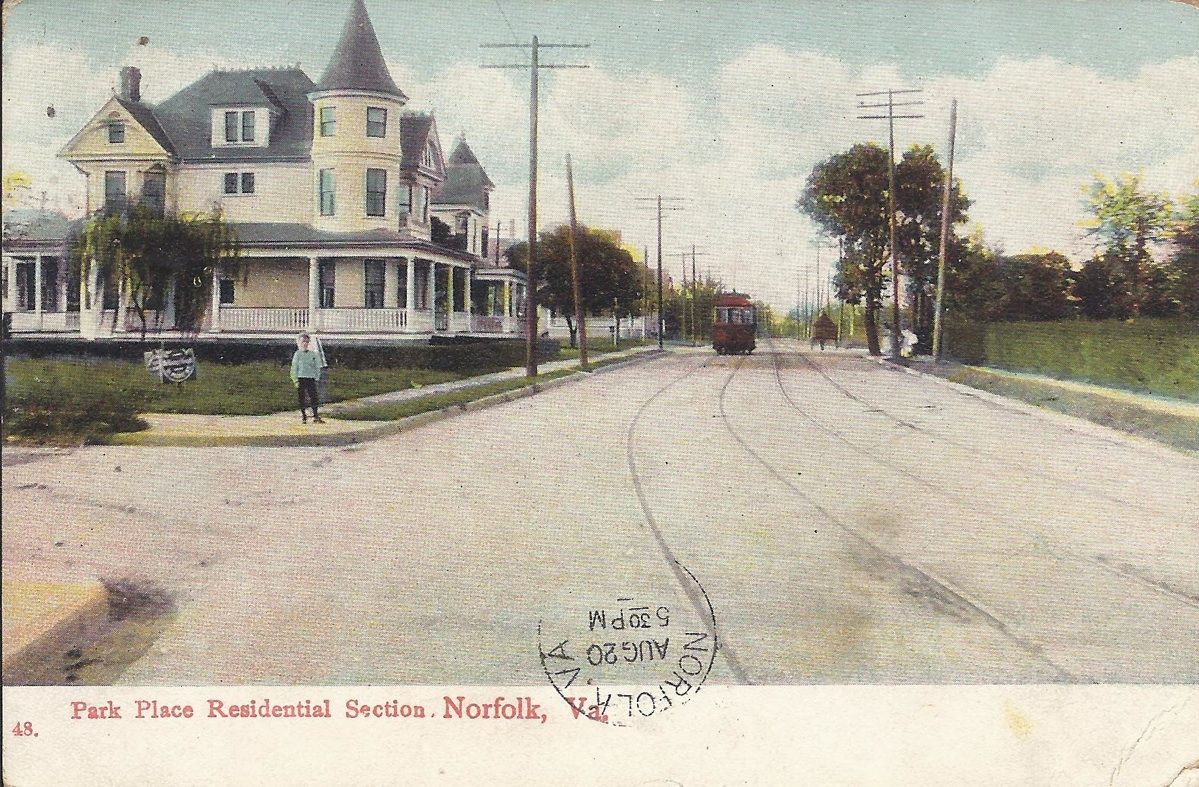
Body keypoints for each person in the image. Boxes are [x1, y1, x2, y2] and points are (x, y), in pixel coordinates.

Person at [291, 333, 324, 424]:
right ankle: (304, 416)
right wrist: (295, 380)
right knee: (302, 397)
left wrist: (317, 377)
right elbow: (294, 367)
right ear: (299, 343)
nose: (305, 343)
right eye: (303, 342)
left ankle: (316, 415)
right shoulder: (297, 354)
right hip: (301, 378)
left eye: (306, 342)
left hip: (311, 378)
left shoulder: (313, 354)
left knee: (314, 397)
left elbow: (317, 366)